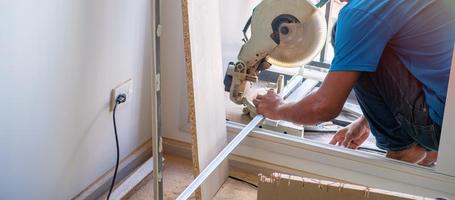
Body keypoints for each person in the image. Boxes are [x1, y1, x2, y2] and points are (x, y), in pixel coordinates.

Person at [253, 0, 455, 166]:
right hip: (449, 124)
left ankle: (405, 150)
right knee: (369, 41)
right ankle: (428, 151)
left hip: (442, 131)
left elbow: (323, 107)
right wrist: (367, 119)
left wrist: (277, 108)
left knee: (349, 35)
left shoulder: (360, 12)